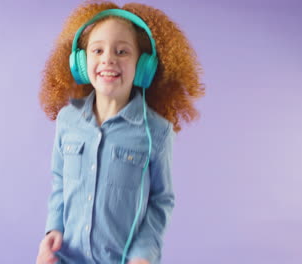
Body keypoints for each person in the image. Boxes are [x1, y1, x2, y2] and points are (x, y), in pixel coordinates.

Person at [36, 1, 204, 263]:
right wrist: (53, 229)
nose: (108, 59)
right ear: (81, 62)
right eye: (97, 50)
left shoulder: (156, 132)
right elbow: (59, 180)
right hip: (66, 257)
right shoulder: (67, 120)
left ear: (143, 66)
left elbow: (161, 201)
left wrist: (144, 254)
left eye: (122, 51)